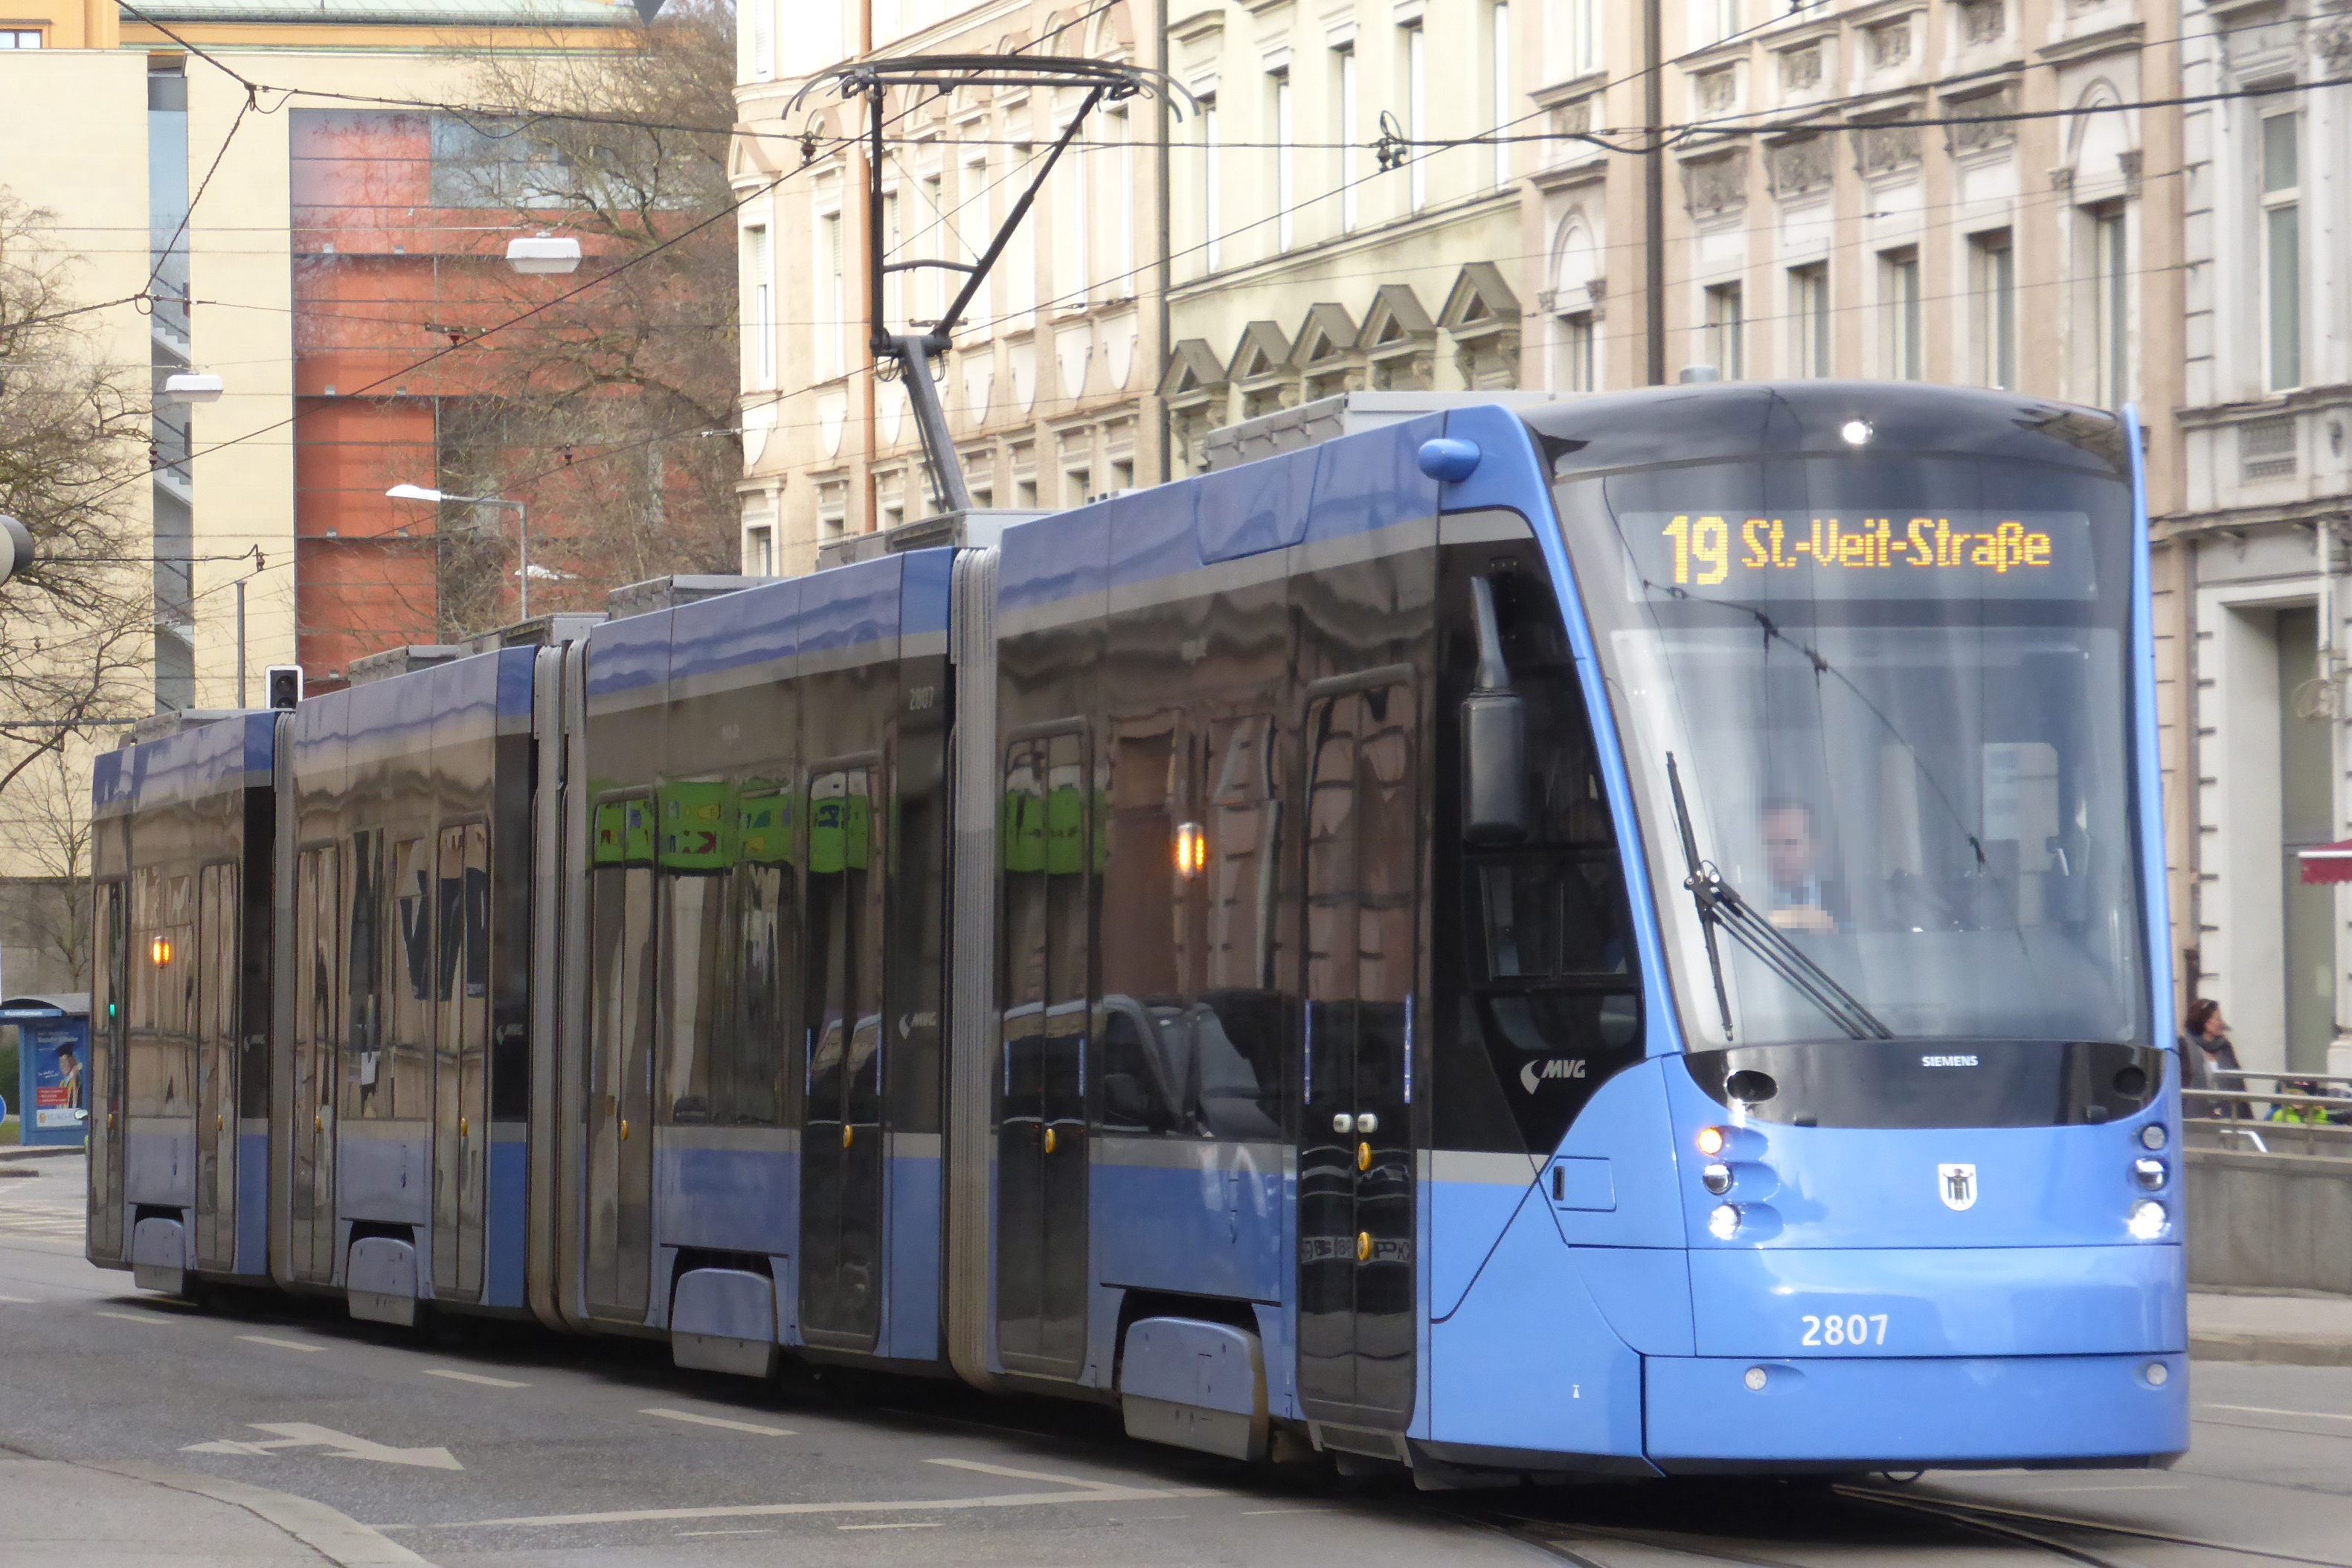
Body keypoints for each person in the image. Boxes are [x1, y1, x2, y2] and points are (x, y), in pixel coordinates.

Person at [1761, 798, 1840, 935]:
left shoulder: (1849, 898)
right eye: (1770, 844)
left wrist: (1831, 926)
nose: (1778, 854)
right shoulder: (1742, 900)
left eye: (1790, 843)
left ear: (1815, 847)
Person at [2179, 998, 2248, 1119]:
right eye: (2218, 1019)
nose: (2222, 1024)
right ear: (2205, 1023)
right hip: (2194, 1120)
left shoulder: (2225, 1048)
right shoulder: (2184, 1047)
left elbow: (2239, 1084)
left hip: (2229, 1118)